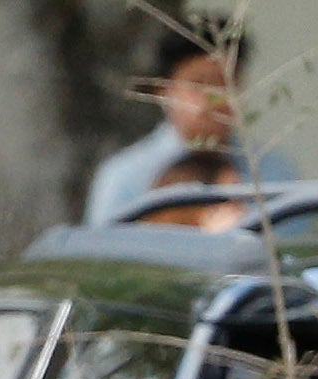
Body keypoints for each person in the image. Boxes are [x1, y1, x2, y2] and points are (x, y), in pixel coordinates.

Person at [86, 21, 294, 226]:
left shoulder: (272, 171)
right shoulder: (124, 177)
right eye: (199, 83)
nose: (215, 99)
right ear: (164, 93)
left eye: (226, 82)